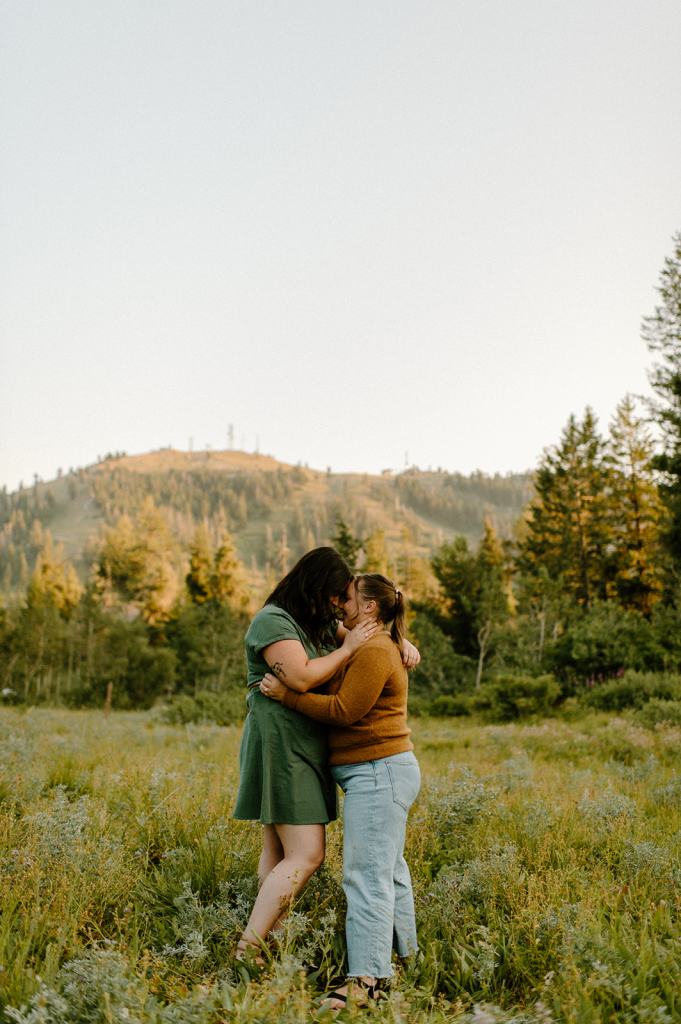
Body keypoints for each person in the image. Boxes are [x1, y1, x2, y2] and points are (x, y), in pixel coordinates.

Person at [233, 548, 418, 962]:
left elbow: (371, 636)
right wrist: (349, 648)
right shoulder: (273, 621)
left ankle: (269, 945)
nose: (338, 605)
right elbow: (299, 677)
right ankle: (250, 947)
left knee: (279, 852)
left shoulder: (315, 624)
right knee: (307, 853)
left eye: (343, 598)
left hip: (306, 743)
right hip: (282, 742)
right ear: (316, 588)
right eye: (335, 596)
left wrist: (400, 640)